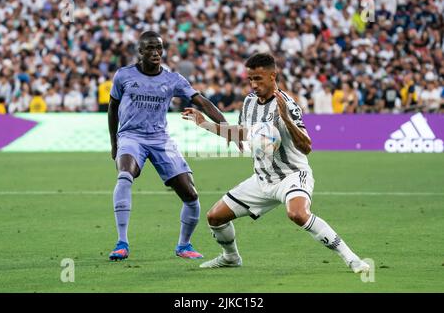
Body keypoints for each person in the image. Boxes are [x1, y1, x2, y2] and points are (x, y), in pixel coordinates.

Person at [182, 53, 370, 273]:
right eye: (250, 79)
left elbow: (307, 146)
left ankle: (352, 259)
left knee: (297, 214)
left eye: (258, 79)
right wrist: (204, 123)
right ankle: (231, 257)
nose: (253, 85)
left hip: (291, 175)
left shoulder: (288, 105)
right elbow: (243, 133)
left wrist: (287, 121)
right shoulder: (249, 102)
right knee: (215, 217)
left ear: (273, 76)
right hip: (262, 179)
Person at [108, 31, 232, 261]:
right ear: (140, 51)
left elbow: (202, 101)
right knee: (125, 175)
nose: (155, 52)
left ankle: (183, 245)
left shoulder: (173, 79)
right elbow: (112, 108)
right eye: (150, 48)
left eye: (159, 48)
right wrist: (114, 143)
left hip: (160, 139)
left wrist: (226, 127)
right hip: (131, 136)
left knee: (191, 195)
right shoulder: (123, 76)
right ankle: (121, 242)